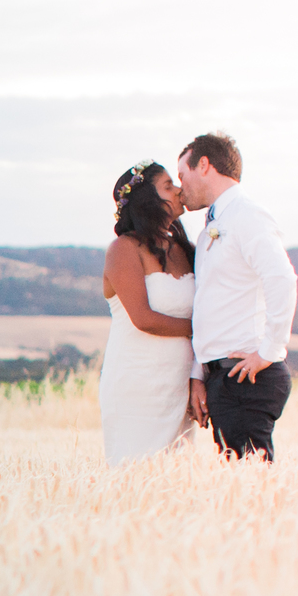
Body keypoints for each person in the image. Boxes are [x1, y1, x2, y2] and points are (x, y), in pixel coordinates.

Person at [174, 133, 298, 460]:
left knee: (252, 483)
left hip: (247, 376)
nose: (179, 187)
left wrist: (270, 350)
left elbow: (281, 279)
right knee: (239, 485)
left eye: (182, 175)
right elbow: (209, 306)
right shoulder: (209, 229)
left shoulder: (247, 215)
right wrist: (199, 375)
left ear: (204, 165)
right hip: (223, 378)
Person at [97, 163, 199, 464]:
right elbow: (143, 318)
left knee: (176, 482)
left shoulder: (186, 249)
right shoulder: (123, 249)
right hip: (137, 385)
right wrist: (205, 328)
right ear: (147, 199)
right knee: (134, 477)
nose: (179, 190)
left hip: (179, 384)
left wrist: (198, 378)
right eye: (169, 185)